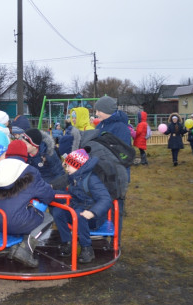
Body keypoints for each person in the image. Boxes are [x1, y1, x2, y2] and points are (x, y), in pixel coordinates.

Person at [0, 158, 56, 267]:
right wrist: (48, 188)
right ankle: (26, 250)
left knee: (19, 217)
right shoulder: (30, 176)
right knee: (47, 218)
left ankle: (7, 246)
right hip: (16, 221)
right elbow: (48, 197)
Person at [52, 148, 112, 263]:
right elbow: (69, 190)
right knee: (57, 212)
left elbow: (105, 198)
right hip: (78, 209)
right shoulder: (75, 177)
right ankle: (67, 242)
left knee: (80, 215)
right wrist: (50, 191)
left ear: (77, 166)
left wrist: (92, 212)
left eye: (68, 165)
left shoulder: (91, 179)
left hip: (94, 217)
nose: (66, 168)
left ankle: (87, 248)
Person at [93, 95, 131, 245]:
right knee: (101, 206)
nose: (96, 114)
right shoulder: (101, 125)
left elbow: (122, 154)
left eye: (98, 110)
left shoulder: (120, 128)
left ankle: (116, 242)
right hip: (102, 174)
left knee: (116, 210)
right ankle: (101, 238)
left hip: (116, 176)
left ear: (106, 110)